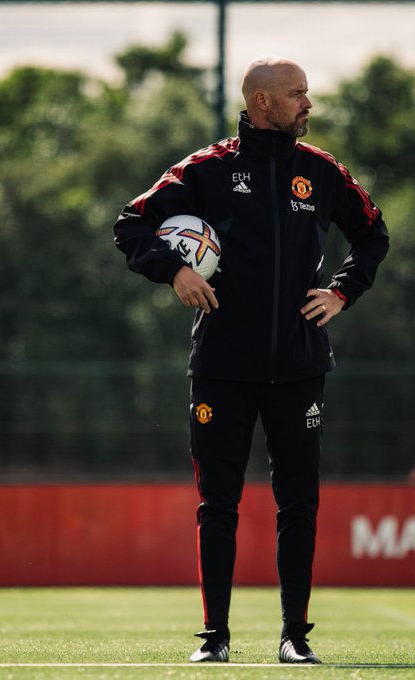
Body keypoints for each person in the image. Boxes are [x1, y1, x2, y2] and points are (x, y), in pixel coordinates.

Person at [113, 56, 389, 664]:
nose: (307, 104)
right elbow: (131, 223)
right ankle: (215, 639)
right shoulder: (204, 171)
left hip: (299, 365)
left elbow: (374, 234)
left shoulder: (322, 172)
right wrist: (175, 269)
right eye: (297, 94)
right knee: (218, 503)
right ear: (262, 102)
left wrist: (342, 291)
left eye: (307, 93)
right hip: (222, 365)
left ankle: (295, 637)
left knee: (299, 504)